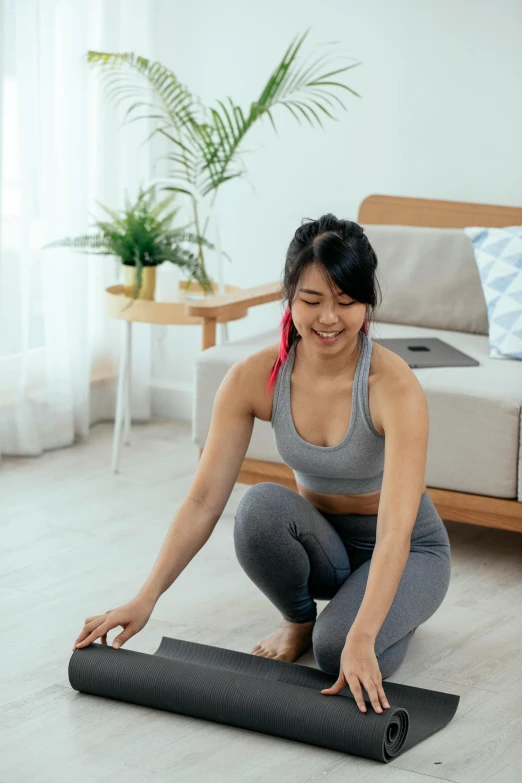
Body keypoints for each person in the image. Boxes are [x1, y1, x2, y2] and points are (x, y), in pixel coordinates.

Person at [73, 215, 451, 717]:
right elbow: (205, 500)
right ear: (290, 297)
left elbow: (397, 531)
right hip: (326, 545)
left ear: (367, 302)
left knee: (338, 650)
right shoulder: (253, 378)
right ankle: (301, 621)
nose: (329, 318)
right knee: (258, 507)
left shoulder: (394, 388)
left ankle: (384, 612)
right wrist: (145, 598)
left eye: (346, 301)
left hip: (409, 547)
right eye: (312, 301)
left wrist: (362, 637)